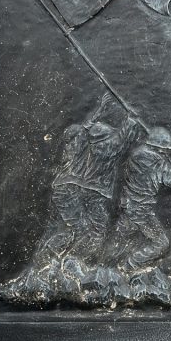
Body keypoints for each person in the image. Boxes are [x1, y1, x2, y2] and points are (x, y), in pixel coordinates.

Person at [34, 94, 144, 262]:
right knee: (94, 231)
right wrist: (131, 118)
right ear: (105, 138)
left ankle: (58, 258)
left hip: (81, 191)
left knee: (77, 229)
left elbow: (84, 129)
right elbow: (122, 139)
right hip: (92, 194)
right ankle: (65, 260)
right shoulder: (105, 149)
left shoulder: (85, 145)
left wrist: (100, 109)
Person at [107, 126, 171, 270]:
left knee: (119, 240)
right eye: (164, 148)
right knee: (161, 243)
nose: (165, 151)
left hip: (128, 205)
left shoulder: (135, 155)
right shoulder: (156, 161)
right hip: (141, 209)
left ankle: (104, 264)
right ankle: (129, 265)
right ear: (158, 146)